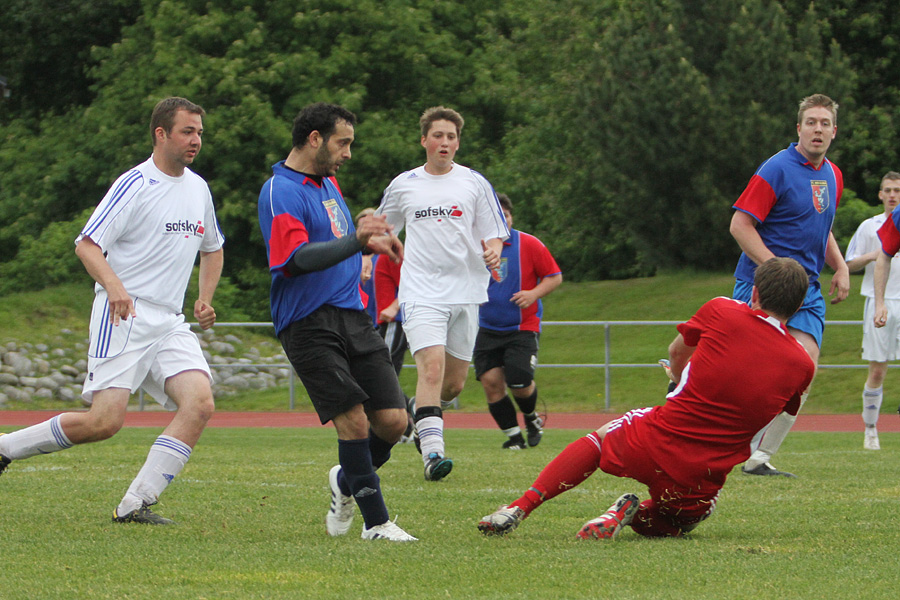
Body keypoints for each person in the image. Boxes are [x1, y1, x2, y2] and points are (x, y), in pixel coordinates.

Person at [0, 97, 225, 525]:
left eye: (199, 132)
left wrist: (204, 297)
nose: (196, 140)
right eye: (187, 131)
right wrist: (115, 286)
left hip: (169, 322)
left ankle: (136, 503)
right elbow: (87, 244)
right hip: (123, 315)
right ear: (161, 134)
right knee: (104, 422)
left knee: (199, 403)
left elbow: (213, 248)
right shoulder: (135, 184)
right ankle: (6, 447)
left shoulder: (199, 188)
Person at [478, 257, 814, 539]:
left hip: (654, 440)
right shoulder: (802, 364)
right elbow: (779, 411)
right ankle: (626, 513)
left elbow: (676, 351)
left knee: (601, 438)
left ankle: (518, 507)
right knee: (684, 520)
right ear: (799, 306)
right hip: (701, 475)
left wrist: (679, 380)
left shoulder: (722, 309)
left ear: (754, 291)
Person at [257, 102, 416, 542]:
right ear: (315, 139)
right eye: (342, 142)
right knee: (354, 421)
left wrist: (372, 246)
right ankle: (377, 523)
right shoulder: (280, 190)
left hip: (352, 314)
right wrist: (356, 240)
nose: (347, 152)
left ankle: (346, 481)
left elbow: (338, 246)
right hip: (308, 323)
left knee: (394, 421)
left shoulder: (328, 184)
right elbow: (296, 260)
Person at [375, 106, 508, 481]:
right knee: (430, 367)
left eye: (451, 136)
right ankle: (433, 455)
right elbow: (384, 229)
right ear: (424, 140)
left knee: (453, 384)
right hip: (421, 291)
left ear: (458, 142)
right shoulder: (404, 184)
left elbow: (494, 230)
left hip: (466, 292)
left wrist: (494, 248)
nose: (445, 142)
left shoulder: (474, 183)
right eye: (438, 135)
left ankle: (423, 412)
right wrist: (373, 253)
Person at [729, 93, 849, 477]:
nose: (817, 129)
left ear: (834, 131)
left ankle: (759, 459)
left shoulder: (833, 174)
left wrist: (841, 266)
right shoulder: (776, 169)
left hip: (808, 291)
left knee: (804, 371)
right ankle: (689, 394)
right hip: (762, 287)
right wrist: (775, 269)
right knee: (748, 373)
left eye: (824, 123)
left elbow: (822, 226)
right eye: (810, 122)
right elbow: (740, 225)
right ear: (798, 128)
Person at [473, 193, 562, 449]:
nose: (502, 221)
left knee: (519, 381)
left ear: (511, 217)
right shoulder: (475, 246)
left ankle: (532, 419)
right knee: (491, 383)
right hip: (486, 328)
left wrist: (533, 293)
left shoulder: (530, 244)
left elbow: (554, 277)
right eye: (496, 217)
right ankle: (513, 437)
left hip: (522, 327)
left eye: (506, 216)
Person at [845, 171, 900, 450]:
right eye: (888, 190)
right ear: (880, 194)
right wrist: (874, 255)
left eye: (897, 190)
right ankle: (870, 429)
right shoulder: (870, 226)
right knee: (878, 370)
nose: (892, 195)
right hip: (881, 302)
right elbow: (848, 263)